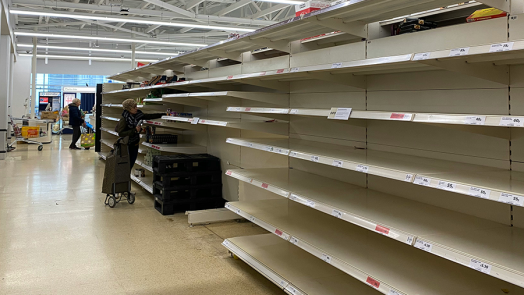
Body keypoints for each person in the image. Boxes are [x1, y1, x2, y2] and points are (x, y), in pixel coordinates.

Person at [117, 99, 164, 169]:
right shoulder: (124, 118)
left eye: (136, 106)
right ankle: (124, 179)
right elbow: (120, 133)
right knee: (127, 165)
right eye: (134, 107)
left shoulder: (138, 115)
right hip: (127, 145)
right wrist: (134, 130)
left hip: (135, 143)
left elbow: (149, 116)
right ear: (129, 109)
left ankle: (126, 178)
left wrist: (163, 114)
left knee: (131, 163)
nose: (137, 108)